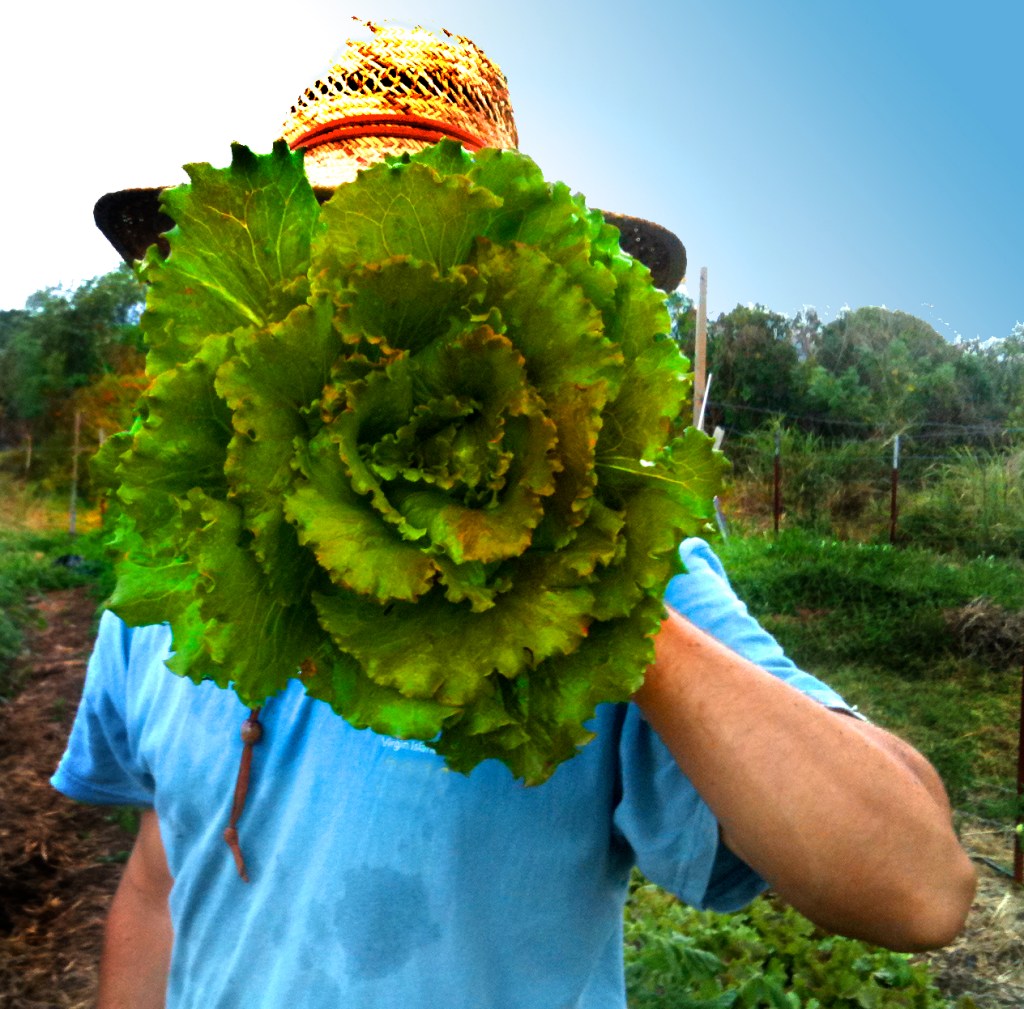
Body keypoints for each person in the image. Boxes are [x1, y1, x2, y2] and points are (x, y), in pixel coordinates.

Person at [53, 21, 975, 1009]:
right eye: (332, 263)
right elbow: (160, 877)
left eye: (410, 262)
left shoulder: (619, 581)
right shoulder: (175, 563)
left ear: (502, 302)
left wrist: (588, 593)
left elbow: (917, 888)